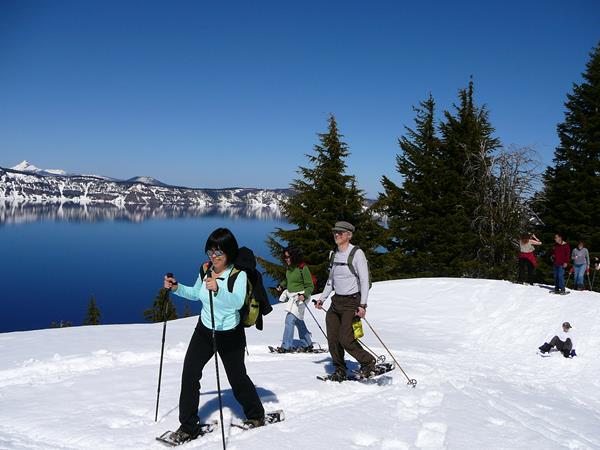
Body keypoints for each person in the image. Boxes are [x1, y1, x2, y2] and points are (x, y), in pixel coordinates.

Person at [163, 228, 265, 444]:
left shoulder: (238, 274)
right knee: (190, 374)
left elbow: (236, 302)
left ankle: (256, 415)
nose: (213, 257)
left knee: (237, 379)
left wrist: (218, 289)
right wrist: (176, 287)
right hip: (204, 330)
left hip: (230, 334)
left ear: (229, 252)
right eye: (210, 252)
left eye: (219, 253)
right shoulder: (206, 269)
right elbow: (196, 293)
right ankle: (188, 426)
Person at [315, 221, 376, 381]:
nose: (336, 235)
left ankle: (368, 362)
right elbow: (331, 280)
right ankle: (340, 369)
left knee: (346, 339)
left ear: (349, 235)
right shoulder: (333, 254)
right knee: (333, 339)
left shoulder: (357, 253)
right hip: (336, 303)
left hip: (352, 302)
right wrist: (322, 299)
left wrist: (362, 305)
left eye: (340, 233)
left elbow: (364, 281)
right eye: (335, 232)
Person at [274, 247, 315, 353]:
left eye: (288, 257)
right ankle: (307, 343)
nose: (286, 259)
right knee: (297, 320)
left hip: (301, 297)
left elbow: (310, 285)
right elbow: (288, 280)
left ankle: (286, 346)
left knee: (290, 320)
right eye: (285, 257)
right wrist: (281, 285)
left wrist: (304, 295)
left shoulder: (302, 268)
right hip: (293, 297)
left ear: (294, 256)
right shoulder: (289, 268)